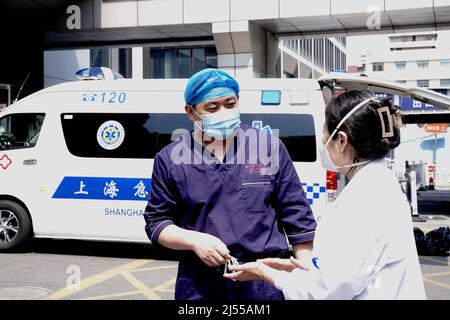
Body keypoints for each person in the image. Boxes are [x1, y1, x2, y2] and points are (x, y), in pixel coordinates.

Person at [224, 90, 427, 300]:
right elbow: (351, 268)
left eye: (325, 136)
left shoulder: (366, 199)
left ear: (341, 140)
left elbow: (332, 288)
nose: (323, 143)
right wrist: (305, 270)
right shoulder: (378, 183)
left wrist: (268, 275)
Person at [143, 68, 316, 300]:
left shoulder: (268, 148)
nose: (223, 112)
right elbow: (156, 222)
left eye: (230, 103)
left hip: (263, 282)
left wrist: (305, 276)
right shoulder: (170, 158)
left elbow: (297, 217)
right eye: (212, 108)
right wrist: (195, 240)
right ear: (191, 112)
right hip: (201, 286)